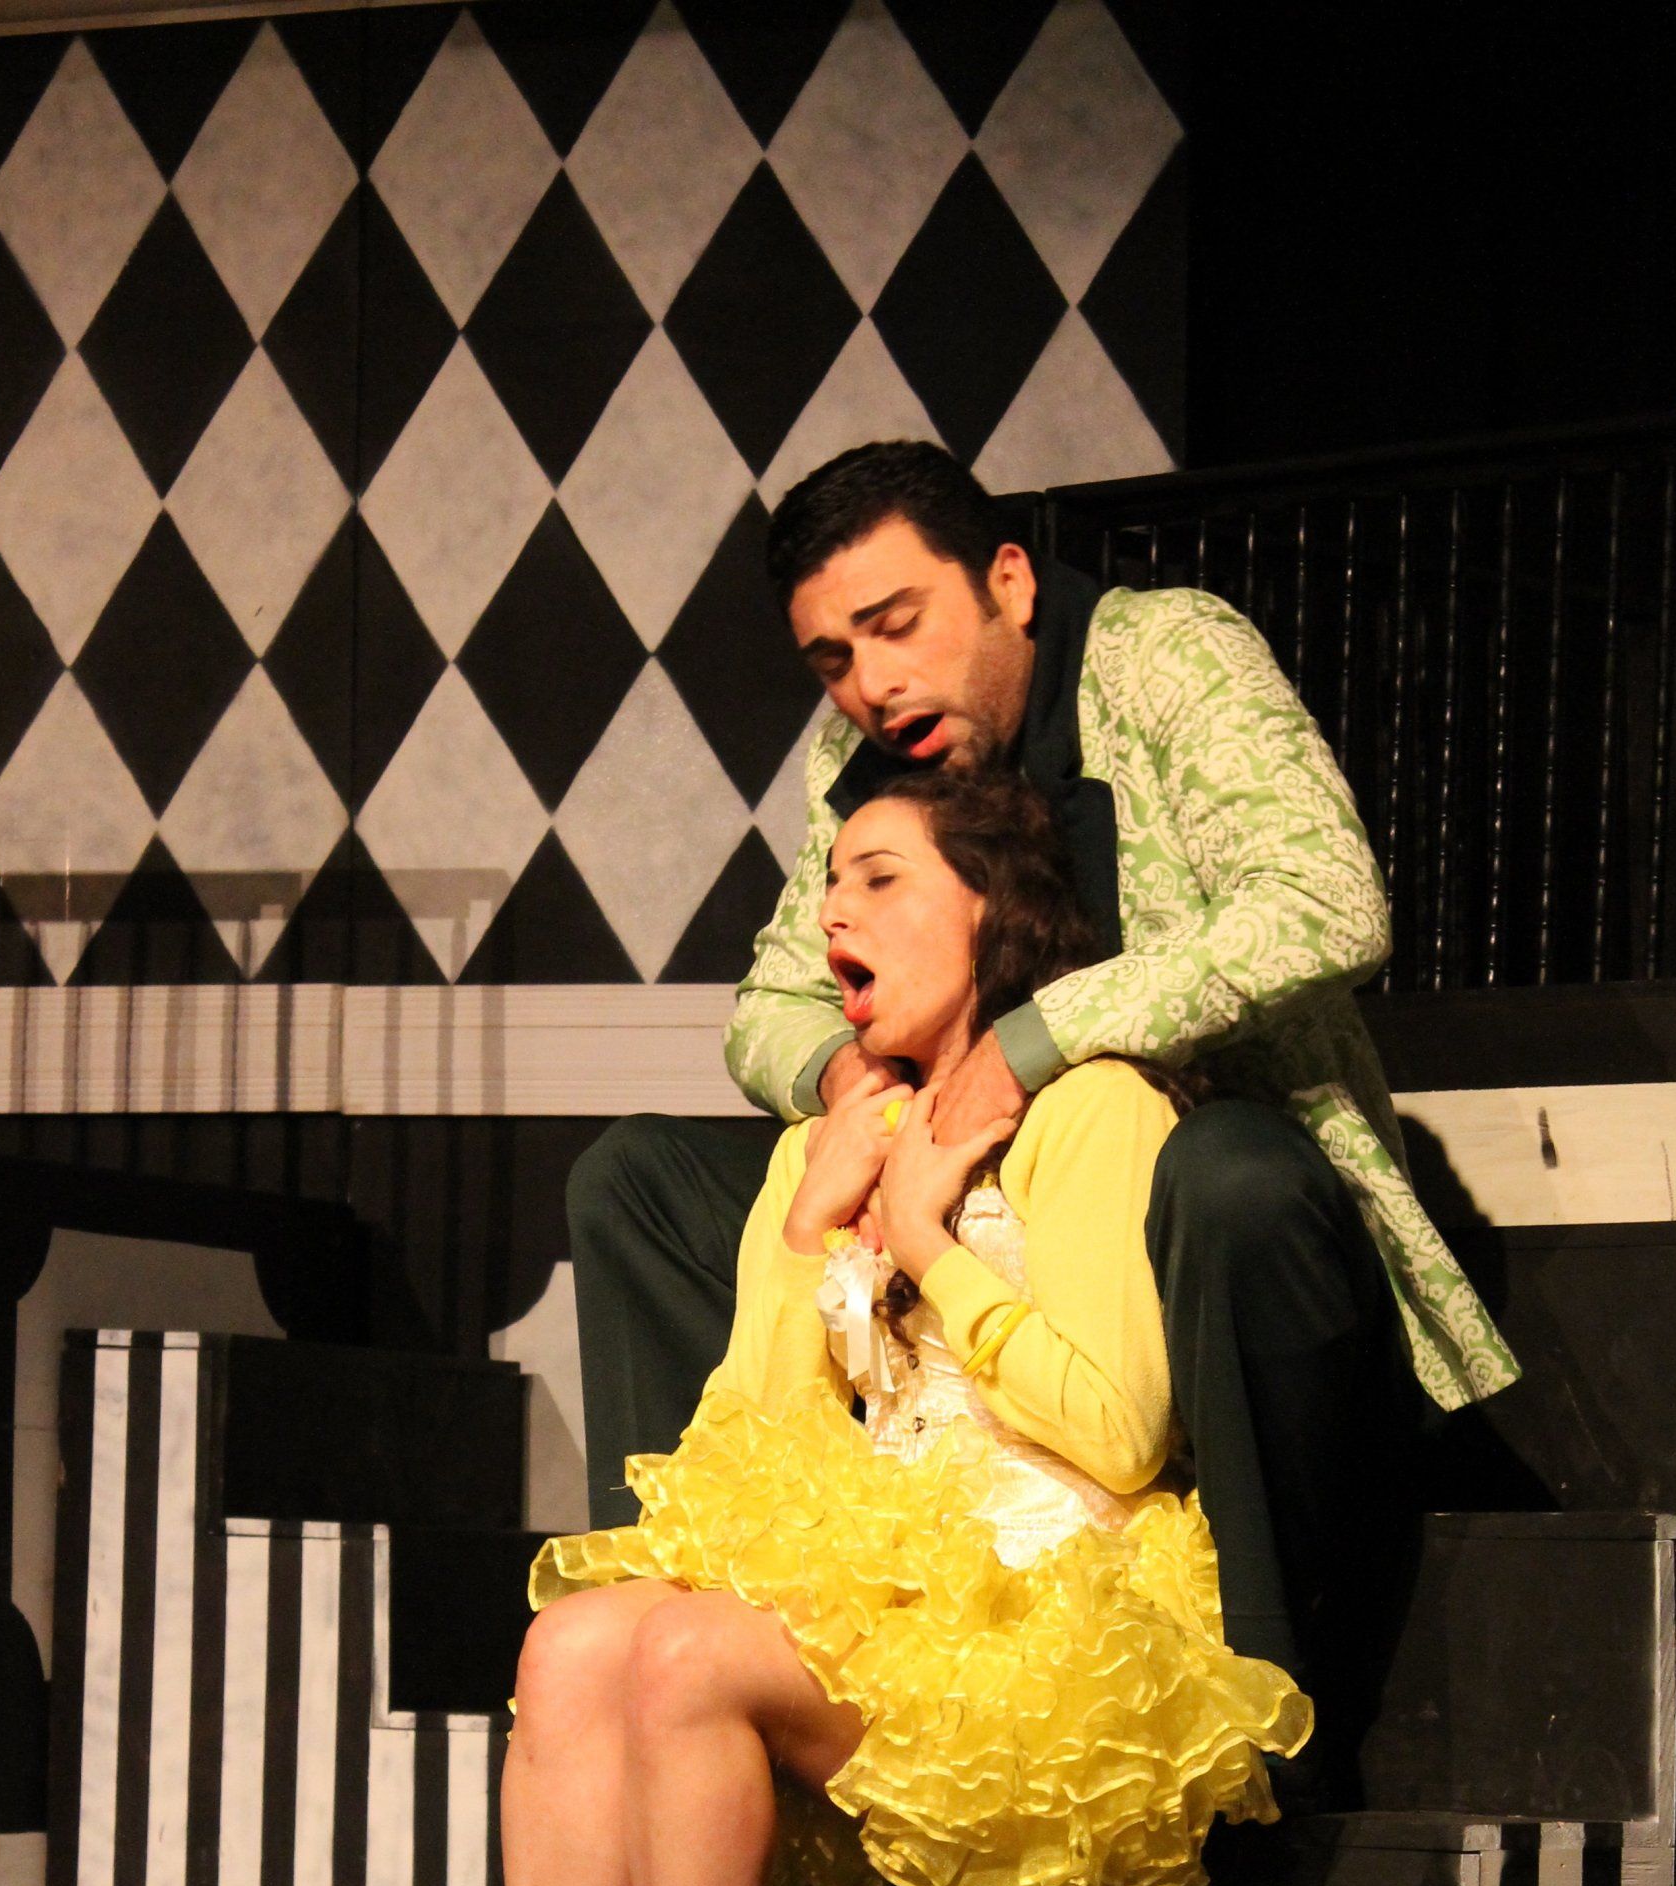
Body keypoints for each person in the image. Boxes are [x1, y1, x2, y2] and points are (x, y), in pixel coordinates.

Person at [429, 769, 1310, 1886]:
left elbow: (1122, 1431)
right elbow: (750, 1444)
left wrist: (927, 1249)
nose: (834, 912)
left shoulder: (1093, 1106)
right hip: (885, 1572)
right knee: (568, 1645)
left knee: (683, 1657)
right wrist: (809, 1234)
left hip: (1047, 1601)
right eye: (831, 882)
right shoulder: (827, 1137)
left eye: (882, 878)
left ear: (995, 912)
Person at [567, 443, 1516, 1758]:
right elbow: (769, 1008)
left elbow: (1323, 902)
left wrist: (1030, 1043)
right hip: (971, 1189)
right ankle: (688, 1642)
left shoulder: (1162, 656)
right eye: (833, 659)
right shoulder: (859, 759)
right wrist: (861, 1094)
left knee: (1231, 1180)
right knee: (637, 1182)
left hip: (1190, 1181)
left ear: (1008, 583)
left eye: (898, 626)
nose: (871, 683)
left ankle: (1272, 1721)